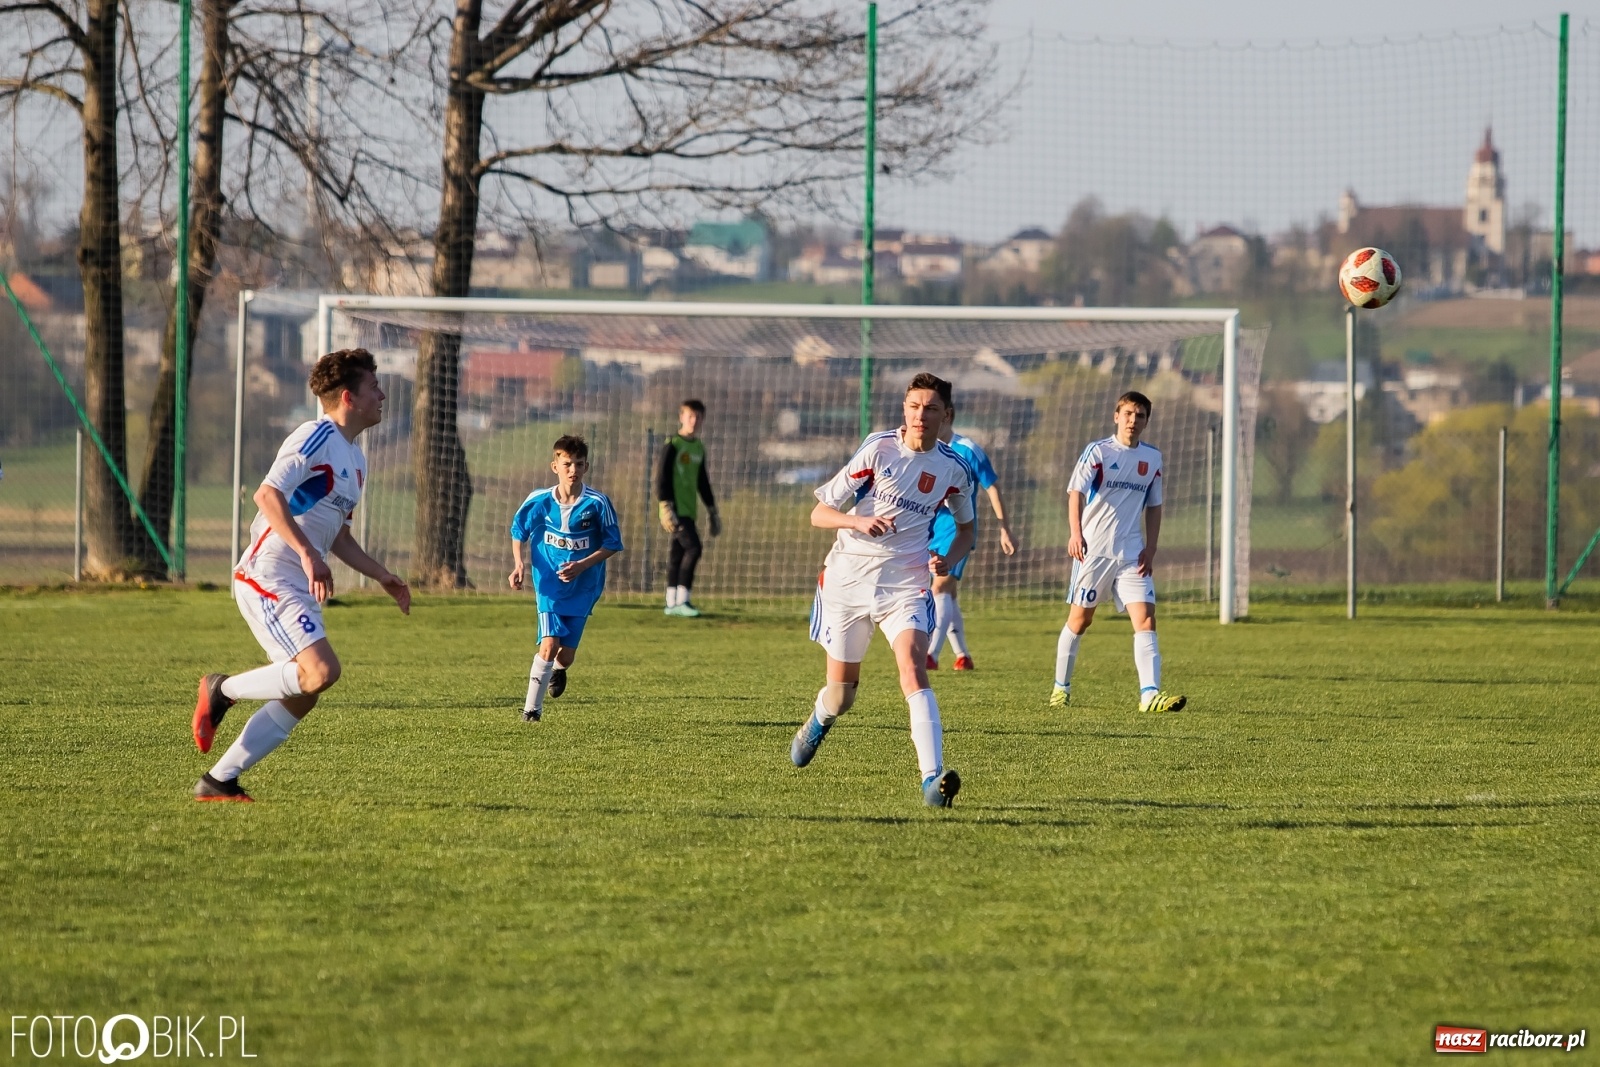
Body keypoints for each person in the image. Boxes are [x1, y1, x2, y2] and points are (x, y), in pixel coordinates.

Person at [191, 348, 411, 802]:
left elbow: (339, 536)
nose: (383, 394)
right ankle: (223, 690)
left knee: (305, 690)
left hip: (294, 579)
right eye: (374, 387)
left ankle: (218, 781)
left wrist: (383, 576)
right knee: (321, 671)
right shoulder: (314, 435)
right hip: (267, 573)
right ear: (349, 397)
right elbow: (267, 494)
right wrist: (308, 555)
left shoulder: (356, 460)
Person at [790, 373, 976, 808]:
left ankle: (932, 780)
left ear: (945, 416)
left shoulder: (954, 468)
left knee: (913, 668)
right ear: (904, 410)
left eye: (930, 408)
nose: (920, 415)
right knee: (842, 694)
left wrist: (948, 558)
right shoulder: (878, 449)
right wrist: (857, 521)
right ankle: (819, 720)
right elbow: (820, 514)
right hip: (848, 581)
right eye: (914, 406)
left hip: (906, 585)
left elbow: (967, 530)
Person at [1052, 390, 1186, 713]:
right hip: (1094, 552)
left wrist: (1151, 547)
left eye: (1140, 416)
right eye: (1127, 414)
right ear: (1116, 416)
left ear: (1146, 422)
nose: (1133, 421)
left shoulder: (1152, 459)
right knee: (1080, 621)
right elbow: (1075, 493)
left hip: (1131, 553)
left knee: (1146, 619)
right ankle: (1061, 688)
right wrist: (1075, 533)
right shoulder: (1098, 452)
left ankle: (1149, 695)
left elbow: (1154, 506)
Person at [509, 435, 624, 722]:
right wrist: (518, 564)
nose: (573, 469)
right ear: (555, 466)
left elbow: (612, 544)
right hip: (548, 584)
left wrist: (582, 565)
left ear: (586, 467)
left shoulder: (598, 503)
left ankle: (559, 670)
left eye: (579, 464)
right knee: (548, 644)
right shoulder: (539, 500)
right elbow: (518, 531)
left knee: (566, 655)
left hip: (584, 586)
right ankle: (531, 711)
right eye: (567, 463)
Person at [926, 407, 1018, 671]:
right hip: (929, 528)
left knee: (939, 588)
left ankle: (930, 655)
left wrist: (1005, 528)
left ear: (948, 417)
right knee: (949, 594)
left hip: (956, 531)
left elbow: (992, 486)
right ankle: (963, 655)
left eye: (934, 415)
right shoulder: (926, 449)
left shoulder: (967, 449)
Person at [656, 398, 720, 617]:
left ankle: (671, 602)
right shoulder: (673, 444)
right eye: (690, 416)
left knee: (678, 553)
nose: (694, 421)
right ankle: (683, 600)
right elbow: (661, 477)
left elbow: (703, 481)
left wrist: (712, 510)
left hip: (689, 509)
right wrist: (665, 505)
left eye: (698, 417)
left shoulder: (698, 447)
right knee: (694, 548)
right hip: (674, 510)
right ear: (681, 417)